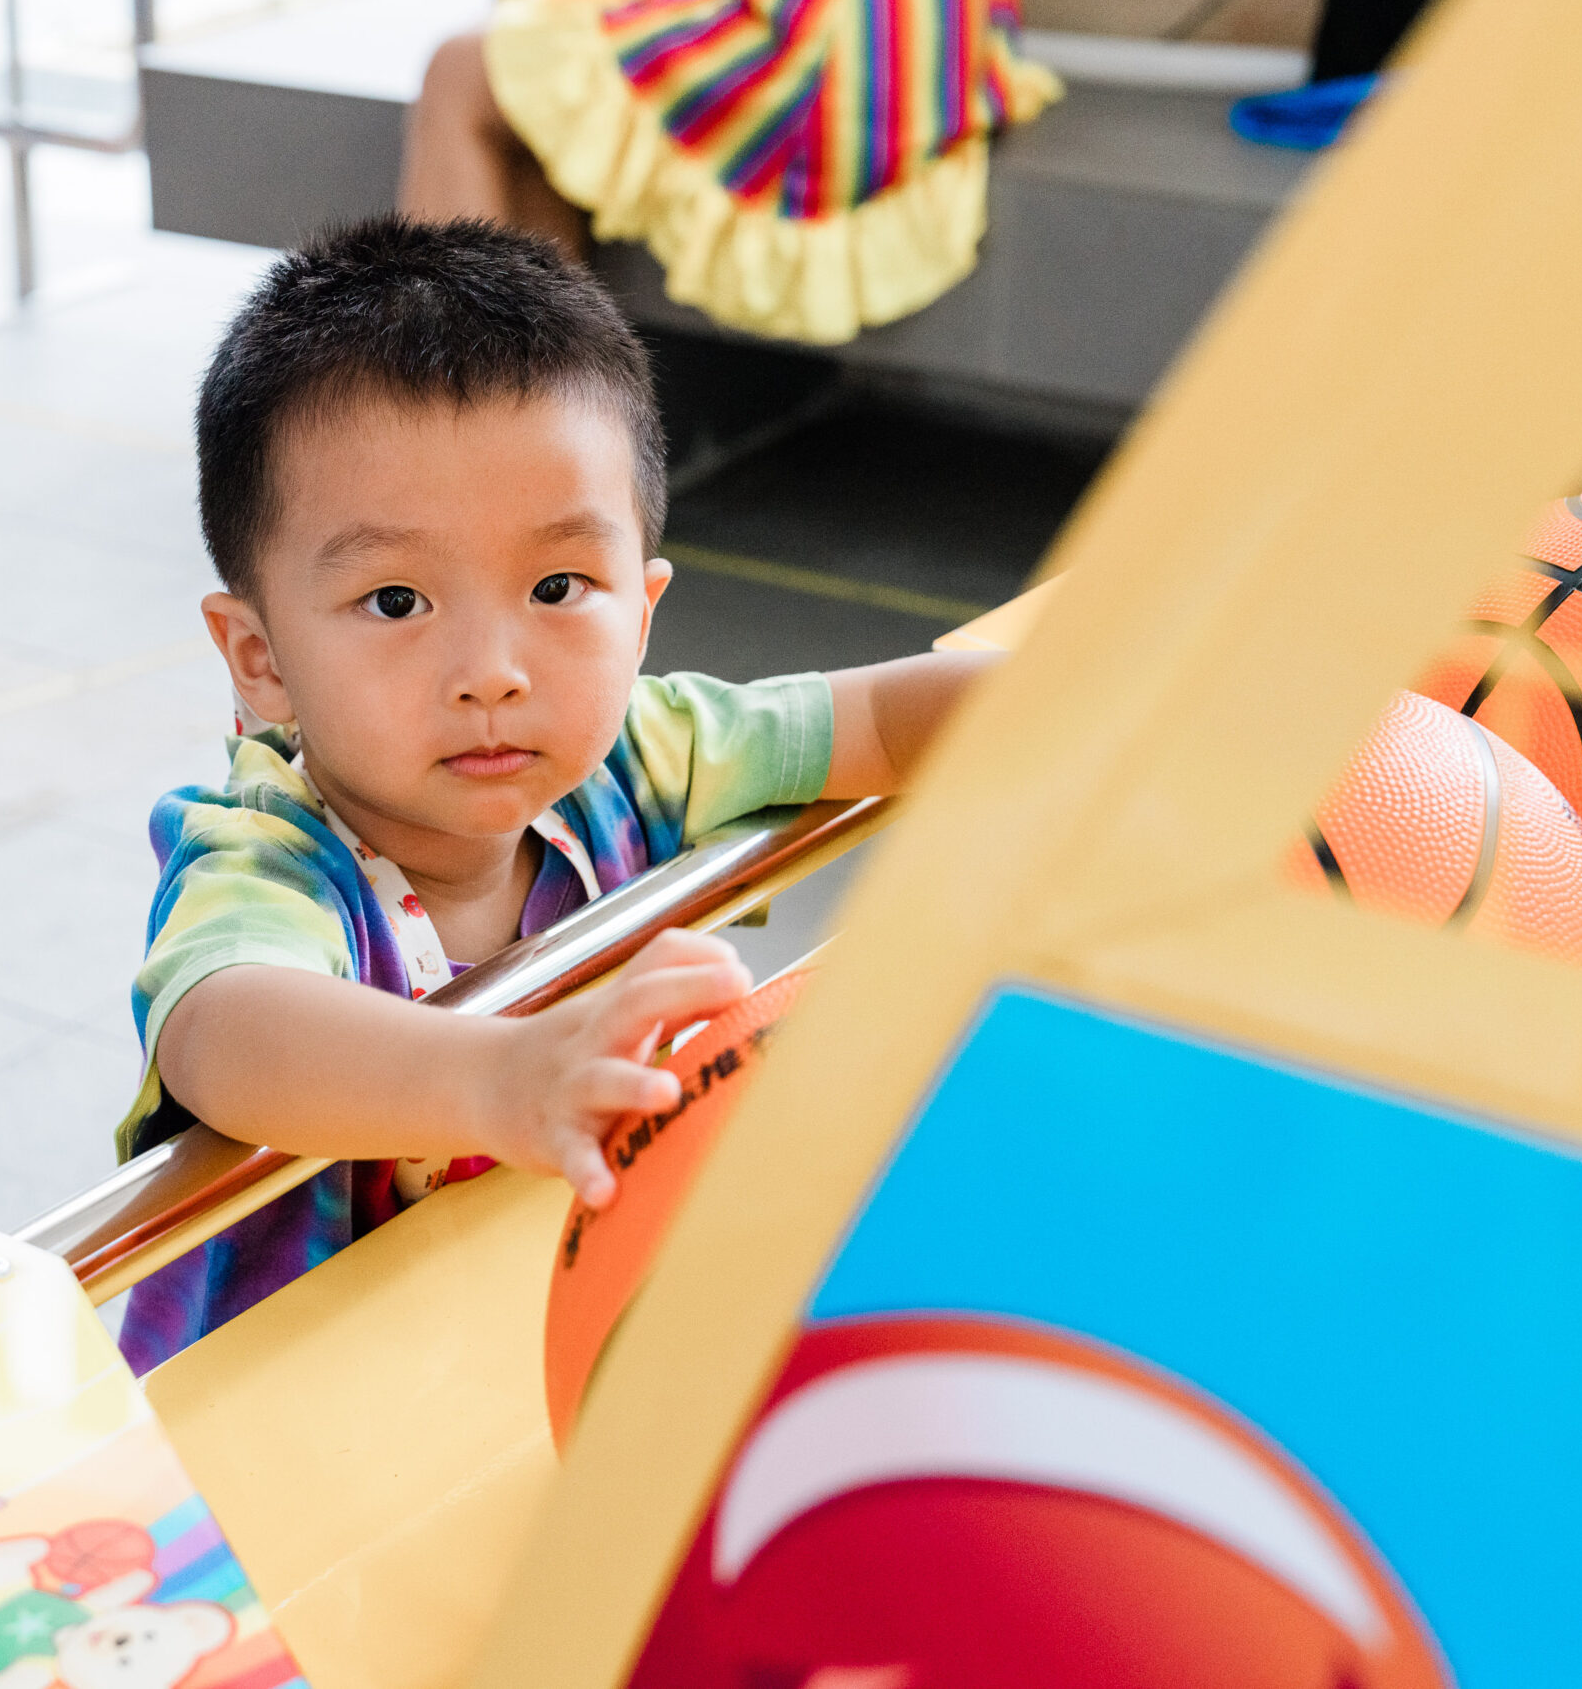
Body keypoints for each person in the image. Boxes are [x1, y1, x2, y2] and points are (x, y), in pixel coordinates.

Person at [114, 218, 991, 1369]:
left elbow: (876, 720)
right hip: (286, 1406)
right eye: (395, 602)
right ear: (259, 656)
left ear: (641, 611)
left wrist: (1118, 693)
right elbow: (225, 1029)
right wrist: (502, 1078)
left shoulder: (635, 753)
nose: (492, 673)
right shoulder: (267, 852)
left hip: (529, 1326)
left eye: (558, 585)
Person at [397, 0, 1058, 345]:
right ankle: (533, 425)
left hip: (828, 42)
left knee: (460, 71)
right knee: (534, 97)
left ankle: (444, 413)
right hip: (935, 35)